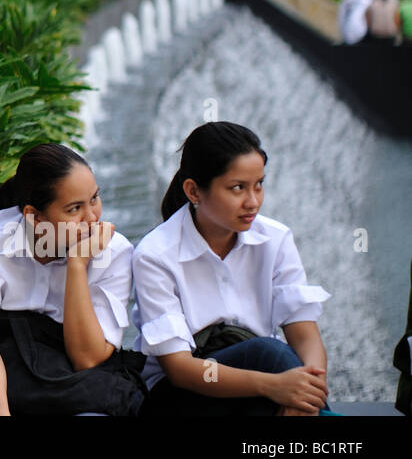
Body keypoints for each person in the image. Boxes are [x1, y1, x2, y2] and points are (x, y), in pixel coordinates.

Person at [132, 122, 332, 416]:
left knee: (271, 393)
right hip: (180, 396)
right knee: (269, 352)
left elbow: (304, 333)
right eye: (237, 188)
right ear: (194, 191)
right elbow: (179, 368)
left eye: (259, 185)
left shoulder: (275, 240)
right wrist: (273, 385)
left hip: (256, 382)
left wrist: (305, 387)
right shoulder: (155, 255)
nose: (253, 202)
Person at [0, 144, 143, 416]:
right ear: (35, 217)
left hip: (76, 386)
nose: (92, 218)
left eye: (94, 199)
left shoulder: (114, 251)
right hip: (3, 380)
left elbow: (88, 359)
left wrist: (76, 264)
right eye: (74, 209)